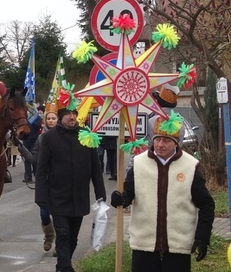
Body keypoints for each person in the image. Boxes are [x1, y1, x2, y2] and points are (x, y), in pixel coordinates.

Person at [110, 113, 214, 271]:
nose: (160, 144)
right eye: (157, 139)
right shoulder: (139, 163)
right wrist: (120, 198)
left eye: (166, 140)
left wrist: (202, 237)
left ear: (176, 143)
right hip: (144, 245)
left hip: (177, 246)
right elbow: (128, 195)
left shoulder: (190, 166)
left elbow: (207, 204)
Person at [35, 105, 106, 272]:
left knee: (73, 238)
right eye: (67, 114)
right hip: (58, 196)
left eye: (74, 113)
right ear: (61, 117)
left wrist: (100, 193)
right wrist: (41, 196)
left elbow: (96, 168)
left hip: (79, 196)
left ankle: (62, 264)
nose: (71, 117)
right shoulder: (49, 138)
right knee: (63, 233)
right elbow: (41, 169)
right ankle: (65, 268)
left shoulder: (86, 137)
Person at [16, 103, 58, 253]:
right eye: (49, 119)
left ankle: (60, 243)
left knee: (59, 214)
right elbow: (34, 160)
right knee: (44, 214)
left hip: (59, 182)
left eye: (54, 118)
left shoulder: (63, 137)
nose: (51, 121)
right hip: (43, 183)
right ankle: (49, 235)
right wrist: (19, 146)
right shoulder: (41, 138)